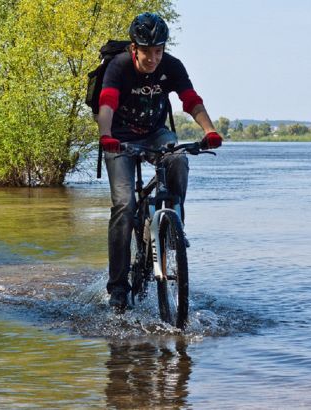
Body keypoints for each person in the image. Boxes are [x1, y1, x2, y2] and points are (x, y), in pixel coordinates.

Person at [96, 12, 223, 310]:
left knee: (178, 158)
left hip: (156, 134)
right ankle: (117, 288)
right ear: (133, 48)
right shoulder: (120, 67)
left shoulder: (172, 66)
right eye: (146, 52)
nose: (153, 58)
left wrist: (210, 130)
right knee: (124, 205)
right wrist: (106, 135)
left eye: (158, 51)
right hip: (119, 136)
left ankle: (173, 225)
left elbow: (190, 99)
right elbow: (107, 103)